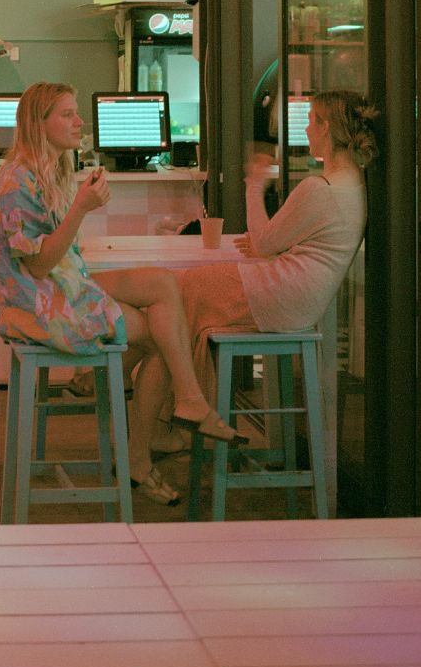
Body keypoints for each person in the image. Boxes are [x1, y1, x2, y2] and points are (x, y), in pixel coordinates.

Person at [94, 90, 376, 460]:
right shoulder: (352, 183)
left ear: (326, 128)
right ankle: (150, 412)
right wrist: (266, 244)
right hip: (300, 301)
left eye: (310, 121)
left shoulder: (319, 188)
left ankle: (140, 414)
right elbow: (275, 244)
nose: (306, 129)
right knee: (172, 308)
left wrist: (254, 185)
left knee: (172, 303)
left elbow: (263, 241)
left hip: (282, 296)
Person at [0, 81, 180, 504]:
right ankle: (140, 452)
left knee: (164, 286)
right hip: (40, 305)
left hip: (60, 288)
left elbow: (55, 255)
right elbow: (39, 265)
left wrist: (78, 206)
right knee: (162, 337)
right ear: (39, 123)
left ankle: (164, 404)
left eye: (77, 112)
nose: (79, 122)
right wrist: (81, 207)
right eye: (67, 114)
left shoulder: (46, 171)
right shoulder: (17, 183)